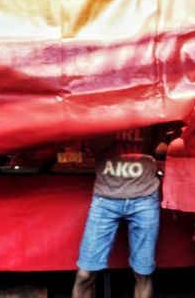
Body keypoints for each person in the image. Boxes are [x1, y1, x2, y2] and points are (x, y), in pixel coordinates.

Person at [71, 123, 181, 298]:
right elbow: (93, 146)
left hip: (144, 198)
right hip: (105, 199)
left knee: (143, 273)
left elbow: (160, 148)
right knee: (85, 274)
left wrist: (172, 141)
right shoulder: (100, 114)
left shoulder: (151, 111)